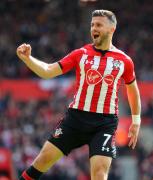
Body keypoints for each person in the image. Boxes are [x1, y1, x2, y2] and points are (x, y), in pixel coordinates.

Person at [17, 10, 141, 180]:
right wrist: (27, 59)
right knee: (42, 161)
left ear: (111, 29)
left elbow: (132, 89)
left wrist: (136, 120)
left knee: (99, 174)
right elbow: (48, 71)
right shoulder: (80, 54)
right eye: (92, 25)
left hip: (105, 123)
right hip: (76, 119)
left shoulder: (124, 60)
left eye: (98, 25)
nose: (93, 28)